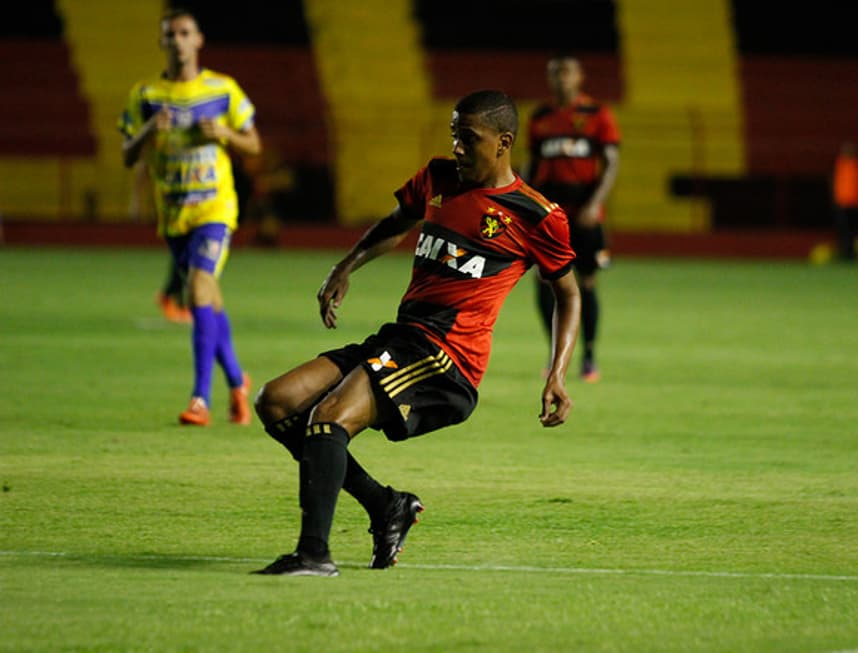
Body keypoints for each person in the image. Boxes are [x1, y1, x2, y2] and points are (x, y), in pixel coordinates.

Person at [253, 90, 581, 577]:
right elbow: (396, 222)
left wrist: (557, 373)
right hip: (402, 338)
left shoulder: (537, 216)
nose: (458, 148)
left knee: (329, 417)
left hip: (448, 359)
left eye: (469, 138)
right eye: (454, 136)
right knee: (276, 401)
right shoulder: (439, 178)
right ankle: (387, 506)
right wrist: (347, 266)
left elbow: (569, 294)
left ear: (503, 142)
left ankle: (314, 555)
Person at [118, 8, 260, 426]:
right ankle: (237, 381)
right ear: (162, 43)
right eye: (170, 34)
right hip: (174, 217)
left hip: (215, 209)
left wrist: (226, 135)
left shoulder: (222, 89)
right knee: (208, 300)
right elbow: (127, 155)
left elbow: (253, 144)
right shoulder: (145, 95)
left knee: (199, 290)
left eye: (185, 33)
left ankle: (201, 398)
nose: (178, 40)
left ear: (198, 40)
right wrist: (148, 131)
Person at [523, 55, 621, 383]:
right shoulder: (540, 117)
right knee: (542, 282)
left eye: (566, 73)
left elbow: (611, 163)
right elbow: (531, 167)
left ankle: (589, 356)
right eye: (554, 74)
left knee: (587, 283)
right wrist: (523, 203)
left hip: (584, 217)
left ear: (580, 77)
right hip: (549, 216)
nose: (560, 79)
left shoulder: (597, 115)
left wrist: (596, 203)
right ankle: (555, 354)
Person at [831, 141, 858, 261]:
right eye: (846, 150)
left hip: (855, 204)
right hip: (842, 203)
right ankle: (844, 253)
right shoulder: (840, 164)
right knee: (843, 230)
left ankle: (852, 254)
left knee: (854, 231)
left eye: (850, 150)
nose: (848, 152)